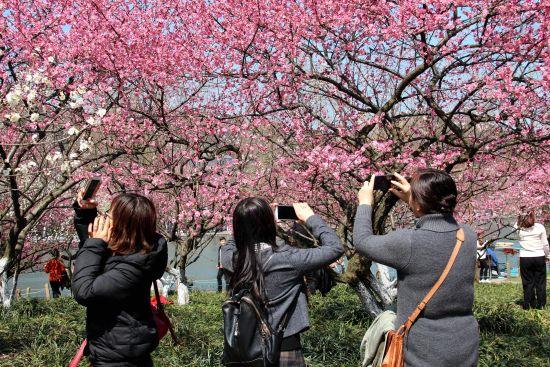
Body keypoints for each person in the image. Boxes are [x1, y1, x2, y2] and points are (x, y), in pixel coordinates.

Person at [354, 169, 478, 367]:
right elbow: (438, 224)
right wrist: (415, 201)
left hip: (423, 348)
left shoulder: (408, 242)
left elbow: (361, 241)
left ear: (420, 204)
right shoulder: (468, 235)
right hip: (464, 344)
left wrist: (365, 203)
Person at [220, 198, 343, 366]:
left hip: (246, 353)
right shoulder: (289, 259)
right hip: (285, 349)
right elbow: (335, 248)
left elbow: (229, 246)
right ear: (270, 225)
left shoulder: (233, 260)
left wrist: (247, 224)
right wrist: (310, 218)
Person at [72, 190, 168, 367]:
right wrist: (86, 213)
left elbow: (84, 291)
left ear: (122, 225)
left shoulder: (135, 266)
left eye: (108, 214)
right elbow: (99, 252)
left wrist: (95, 244)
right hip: (115, 349)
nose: (105, 218)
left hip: (119, 357)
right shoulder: (132, 249)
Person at [515, 211, 549, 309]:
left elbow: (516, 224)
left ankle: (528, 304)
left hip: (525, 257)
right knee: (540, 282)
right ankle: (541, 305)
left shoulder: (517, 228)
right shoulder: (540, 227)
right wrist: (547, 255)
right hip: (539, 256)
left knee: (527, 282)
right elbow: (545, 244)